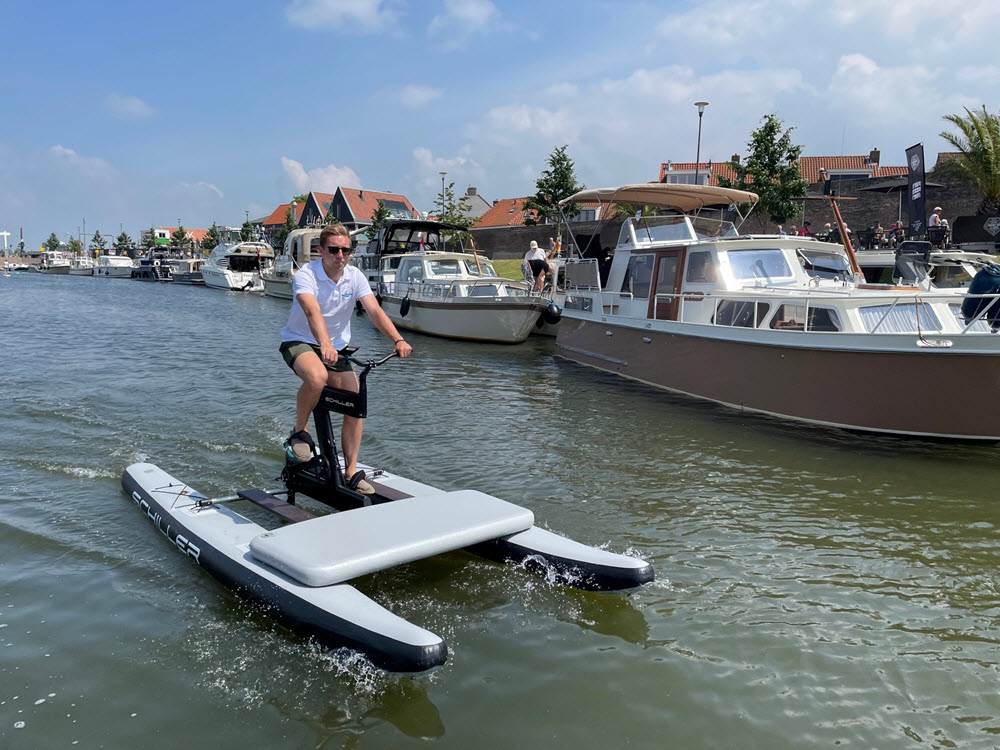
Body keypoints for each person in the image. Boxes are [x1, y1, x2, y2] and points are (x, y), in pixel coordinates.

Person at [278, 224, 412, 494]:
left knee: (355, 402)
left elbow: (373, 310)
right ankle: (299, 432)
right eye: (334, 249)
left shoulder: (355, 276)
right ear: (321, 250)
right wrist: (324, 343)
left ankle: (350, 471)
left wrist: (397, 339)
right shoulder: (307, 275)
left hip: (336, 349)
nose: (340, 255)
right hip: (301, 341)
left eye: (346, 250)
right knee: (317, 377)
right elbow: (311, 310)